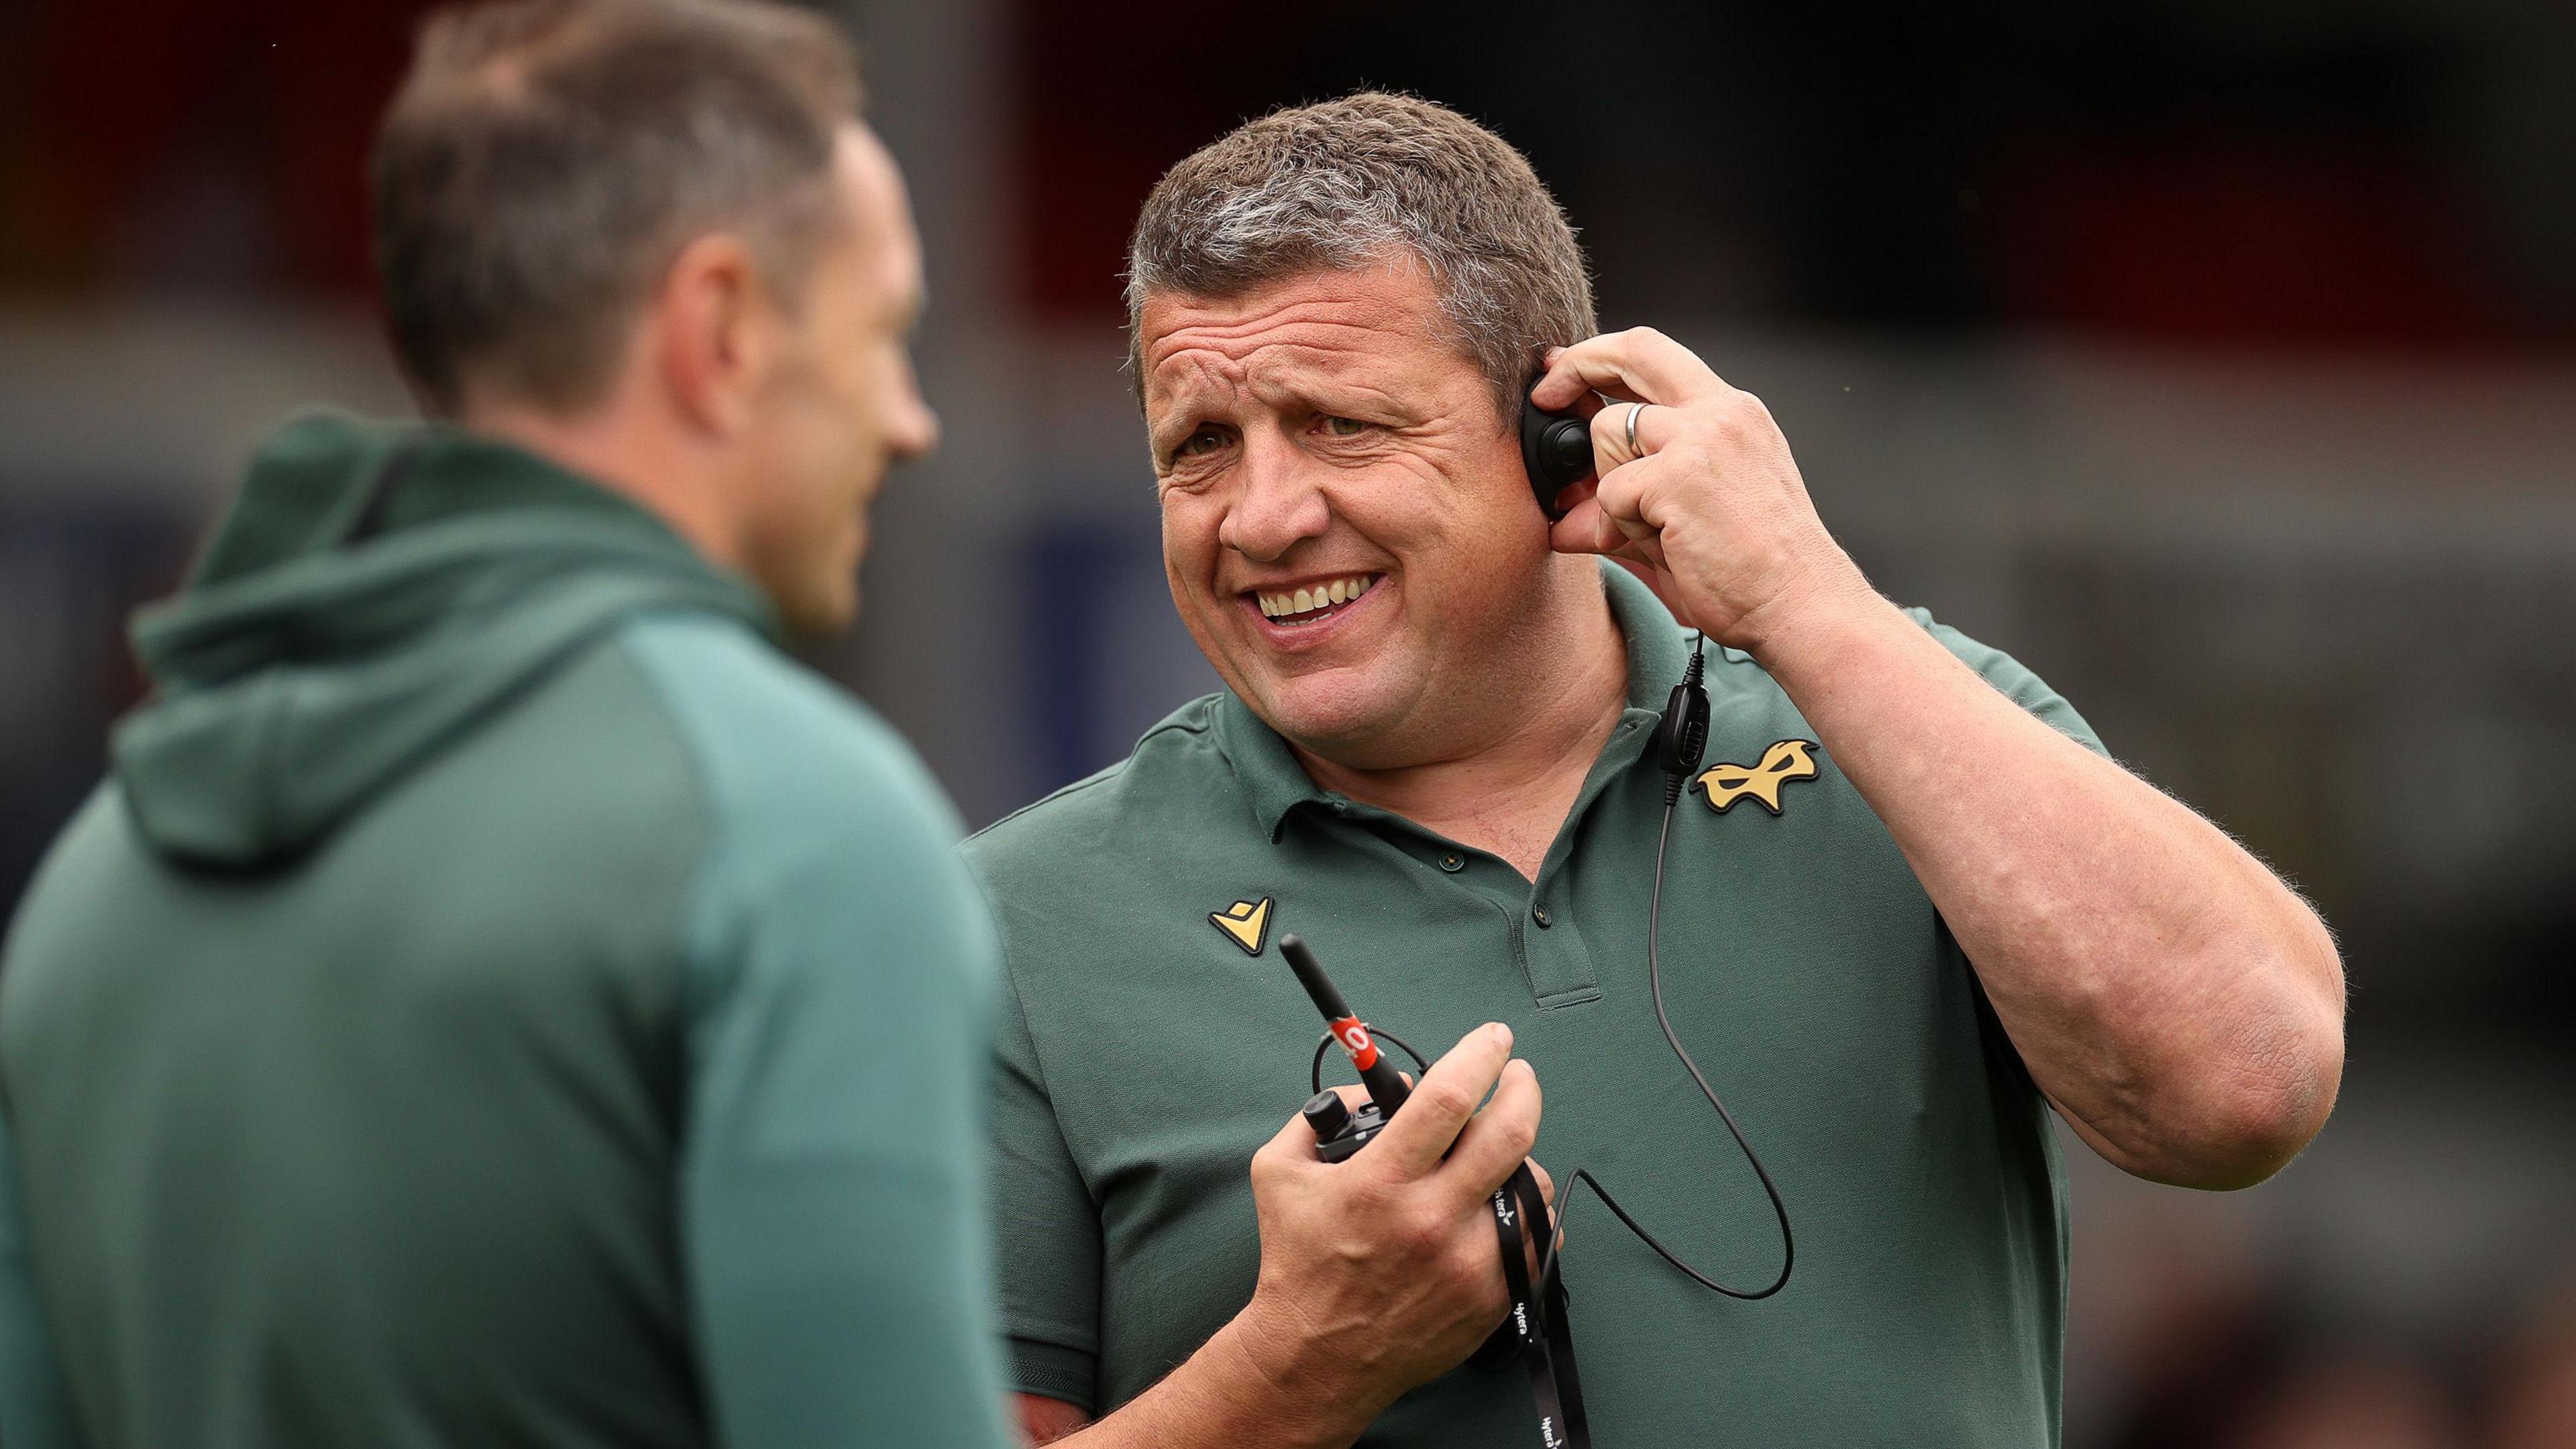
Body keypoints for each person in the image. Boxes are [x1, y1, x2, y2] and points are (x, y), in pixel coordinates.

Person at [963, 93, 2347, 1447]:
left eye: (1342, 425)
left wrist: (1806, 600)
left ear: (1561, 425)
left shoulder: (1901, 712)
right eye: (1200, 447)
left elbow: (2248, 1088)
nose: (1263, 517)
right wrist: (1296, 1371)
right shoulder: (1001, 931)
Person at [0, 2, 1012, 1446]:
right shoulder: (799, 833)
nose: (911, 419)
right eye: (884, 333)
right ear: (720, 329)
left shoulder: (101, 875)